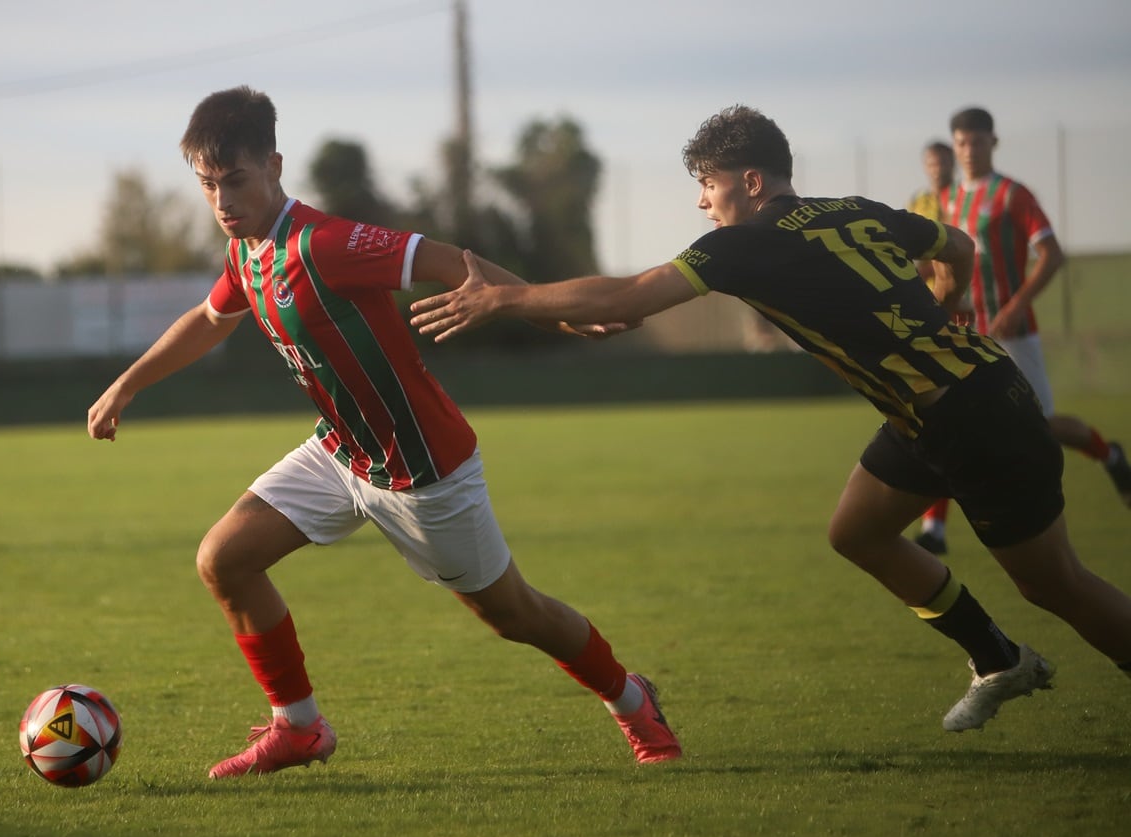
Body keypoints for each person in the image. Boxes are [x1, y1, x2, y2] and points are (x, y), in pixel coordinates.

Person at [410, 105, 1131, 733]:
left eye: (708, 185)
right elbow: (961, 247)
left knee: (1055, 583)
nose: (702, 203)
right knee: (856, 530)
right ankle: (997, 657)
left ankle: (1017, 653)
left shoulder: (745, 242)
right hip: (937, 408)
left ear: (751, 183)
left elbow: (627, 296)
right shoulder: (853, 208)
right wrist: (947, 304)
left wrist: (503, 300)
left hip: (973, 418)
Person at [85, 86, 679, 778]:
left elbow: (452, 262)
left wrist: (554, 314)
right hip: (340, 453)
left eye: (236, 180)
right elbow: (207, 321)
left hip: (426, 471)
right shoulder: (246, 254)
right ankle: (299, 727)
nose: (222, 200)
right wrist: (125, 385)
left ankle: (632, 697)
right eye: (208, 185)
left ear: (275, 165)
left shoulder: (328, 244)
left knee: (515, 614)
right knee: (224, 558)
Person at [935, 106, 1131, 524]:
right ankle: (934, 528)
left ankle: (1109, 454)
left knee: (1041, 424)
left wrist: (1016, 305)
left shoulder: (1012, 194)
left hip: (1013, 330)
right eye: (962, 143)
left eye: (977, 141)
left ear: (993, 142)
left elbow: (1052, 254)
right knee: (945, 419)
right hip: (966, 333)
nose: (969, 150)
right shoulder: (949, 199)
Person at [906, 141, 960, 554]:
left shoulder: (966, 200)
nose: (936, 167)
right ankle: (935, 528)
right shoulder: (918, 202)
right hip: (929, 318)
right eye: (930, 161)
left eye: (941, 160)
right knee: (938, 421)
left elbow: (961, 250)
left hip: (967, 311)